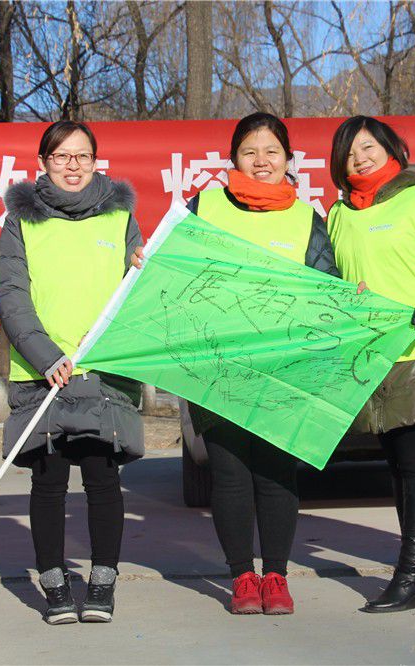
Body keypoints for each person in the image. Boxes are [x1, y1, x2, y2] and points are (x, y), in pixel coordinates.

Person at [133, 112, 338, 615]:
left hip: (283, 368)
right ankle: (242, 576)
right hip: (216, 365)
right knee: (230, 475)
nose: (261, 161)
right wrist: (146, 261)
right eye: (250, 152)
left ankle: (277, 576)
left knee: (276, 474)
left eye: (271, 151)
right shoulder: (203, 207)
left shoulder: (307, 219)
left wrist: (345, 299)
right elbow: (171, 263)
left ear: (288, 159)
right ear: (233, 159)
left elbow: (325, 287)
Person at [0, 119, 145, 624]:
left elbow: (138, 294)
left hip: (102, 369)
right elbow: (11, 294)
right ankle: (54, 583)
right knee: (48, 481)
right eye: (61, 157)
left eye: (81, 156)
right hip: (42, 373)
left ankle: (103, 580)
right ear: (43, 163)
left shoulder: (120, 218)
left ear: (96, 161)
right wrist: (47, 356)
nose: (72, 166)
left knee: (102, 478)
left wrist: (145, 269)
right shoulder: (21, 221)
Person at [326, 116, 415, 613]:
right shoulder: (338, 213)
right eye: (350, 153)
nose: (360, 158)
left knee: (414, 460)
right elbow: (333, 277)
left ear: (391, 148)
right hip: (370, 353)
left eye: (368, 147)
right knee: (396, 462)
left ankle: (409, 576)